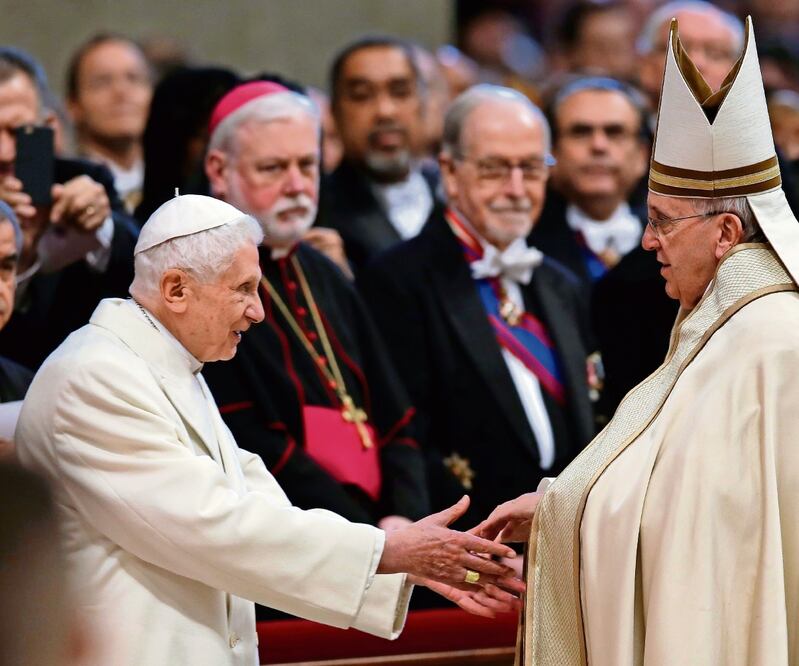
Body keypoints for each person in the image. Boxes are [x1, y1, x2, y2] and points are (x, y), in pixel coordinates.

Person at [15, 193, 520, 666]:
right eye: (244, 290)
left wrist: (399, 562)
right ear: (176, 290)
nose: (258, 311)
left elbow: (256, 500)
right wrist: (386, 553)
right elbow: (209, 523)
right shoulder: (94, 375)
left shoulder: (163, 364)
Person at [479, 17, 799, 665]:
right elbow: (676, 497)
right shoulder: (720, 325)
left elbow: (707, 540)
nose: (646, 242)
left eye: (661, 223)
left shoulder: (769, 342)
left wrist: (563, 509)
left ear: (725, 233)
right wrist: (555, 504)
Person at [359, 85, 595, 528]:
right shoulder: (397, 279)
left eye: (531, 168)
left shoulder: (561, 284)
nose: (516, 189)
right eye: (493, 169)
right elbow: (405, 436)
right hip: (462, 546)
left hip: (559, 544)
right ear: (449, 172)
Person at [202, 83, 429, 534]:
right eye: (273, 168)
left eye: (307, 165)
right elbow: (245, 437)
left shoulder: (324, 271)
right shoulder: (207, 278)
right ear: (219, 170)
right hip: (292, 536)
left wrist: (402, 513)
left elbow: (395, 414)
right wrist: (363, 533)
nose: (297, 186)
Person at [0, 47, 138, 370]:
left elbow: (148, 268)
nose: (4, 153)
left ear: (47, 126)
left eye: (16, 131)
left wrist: (99, 227)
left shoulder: (82, 179)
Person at [319, 36, 442, 273]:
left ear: (423, 104)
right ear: (334, 113)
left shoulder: (454, 195)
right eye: (362, 95)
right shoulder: (319, 211)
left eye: (400, 92)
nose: (385, 111)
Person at [531, 77, 649, 289]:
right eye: (581, 132)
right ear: (552, 152)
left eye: (614, 132)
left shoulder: (674, 241)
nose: (598, 145)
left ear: (642, 156)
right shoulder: (525, 245)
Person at [66, 34, 153, 213]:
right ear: (74, 105)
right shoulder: (64, 188)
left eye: (133, 78)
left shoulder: (180, 186)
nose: (121, 92)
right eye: (102, 82)